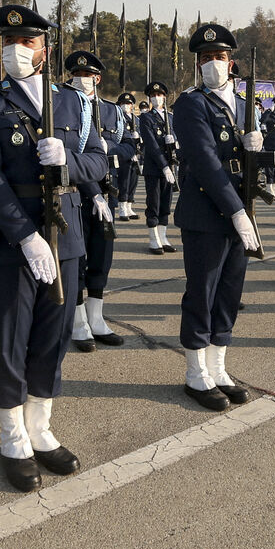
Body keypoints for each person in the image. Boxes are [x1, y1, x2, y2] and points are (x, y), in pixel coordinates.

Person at [0, 4, 107, 492]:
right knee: (11, 336)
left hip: (64, 232)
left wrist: (69, 163)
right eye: (7, 41)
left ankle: (40, 427)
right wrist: (25, 235)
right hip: (11, 237)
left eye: (25, 42)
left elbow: (100, 163)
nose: (14, 51)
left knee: (53, 333)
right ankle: (12, 436)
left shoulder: (71, 102)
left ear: (45, 49)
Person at [172, 23, 260, 411]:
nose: (212, 64)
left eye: (219, 58)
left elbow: (250, 161)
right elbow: (206, 163)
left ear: (232, 62)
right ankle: (195, 372)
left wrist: (258, 148)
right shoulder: (192, 103)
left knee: (229, 290)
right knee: (202, 292)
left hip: (240, 208)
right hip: (207, 212)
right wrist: (237, 210)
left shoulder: (244, 104)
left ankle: (219, 366)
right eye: (205, 59)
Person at [66, 52, 125, 352]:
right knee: (77, 258)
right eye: (76, 72)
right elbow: (71, 156)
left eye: (87, 74)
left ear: (97, 79)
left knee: (102, 255)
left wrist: (109, 146)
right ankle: (78, 323)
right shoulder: (64, 106)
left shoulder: (113, 111)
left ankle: (96, 317)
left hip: (107, 194)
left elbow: (128, 144)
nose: (80, 78)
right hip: (77, 193)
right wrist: (93, 192)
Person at [139, 80, 178, 254]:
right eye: (153, 96)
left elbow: (179, 139)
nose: (156, 98)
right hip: (155, 168)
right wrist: (163, 166)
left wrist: (175, 143)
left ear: (165, 97)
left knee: (166, 204)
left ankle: (163, 237)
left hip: (170, 167)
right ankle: (154, 239)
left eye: (159, 95)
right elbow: (152, 145)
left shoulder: (170, 118)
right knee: (153, 203)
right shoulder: (146, 118)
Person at [114, 91, 142, 220]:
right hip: (123, 154)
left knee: (133, 181)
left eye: (128, 103)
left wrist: (139, 139)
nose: (126, 106)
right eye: (123, 103)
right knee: (124, 181)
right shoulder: (117, 118)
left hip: (136, 155)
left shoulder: (136, 119)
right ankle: (122, 207)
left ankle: (129, 205)